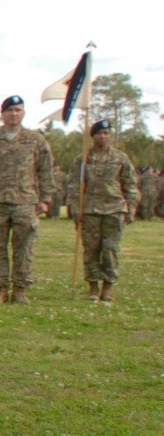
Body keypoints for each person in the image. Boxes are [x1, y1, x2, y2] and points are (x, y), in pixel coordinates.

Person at [0, 95, 54, 304]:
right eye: (10, 110)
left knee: (25, 247)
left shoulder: (36, 140)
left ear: (23, 113)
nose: (14, 114)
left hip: (26, 202)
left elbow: (45, 171)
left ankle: (20, 289)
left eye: (18, 110)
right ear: (2, 114)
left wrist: (45, 199)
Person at [73, 119, 138, 302]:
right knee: (91, 250)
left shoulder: (120, 158)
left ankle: (108, 287)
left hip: (114, 209)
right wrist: (76, 209)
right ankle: (93, 287)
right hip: (90, 210)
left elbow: (130, 184)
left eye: (106, 133)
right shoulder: (83, 159)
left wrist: (131, 208)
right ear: (92, 135)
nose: (103, 137)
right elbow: (74, 187)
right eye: (99, 133)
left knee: (110, 249)